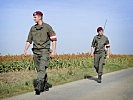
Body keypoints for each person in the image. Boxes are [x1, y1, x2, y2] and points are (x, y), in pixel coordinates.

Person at [24, 11, 57, 95]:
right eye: (33, 17)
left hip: (45, 51)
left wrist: (53, 51)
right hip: (35, 52)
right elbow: (29, 40)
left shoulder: (47, 27)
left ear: (40, 17)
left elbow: (54, 39)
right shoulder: (32, 28)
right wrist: (25, 50)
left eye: (35, 17)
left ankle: (38, 86)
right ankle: (44, 83)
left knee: (42, 68)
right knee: (39, 70)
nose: (33, 18)